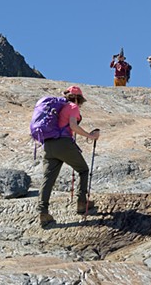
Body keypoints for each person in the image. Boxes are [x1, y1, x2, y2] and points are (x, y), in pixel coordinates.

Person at [37, 86, 100, 226]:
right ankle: (82, 203)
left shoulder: (58, 108)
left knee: (48, 179)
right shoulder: (72, 107)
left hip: (48, 145)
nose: (80, 104)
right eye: (80, 101)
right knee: (83, 170)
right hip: (63, 144)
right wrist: (91, 136)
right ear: (77, 98)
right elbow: (73, 126)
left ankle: (43, 213)